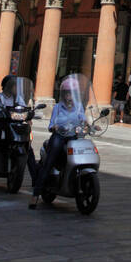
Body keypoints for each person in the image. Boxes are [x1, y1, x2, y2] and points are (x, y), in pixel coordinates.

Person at [30, 77, 88, 208]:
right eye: (67, 93)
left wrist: (89, 126)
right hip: (59, 136)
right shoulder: (57, 107)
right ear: (63, 94)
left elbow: (83, 120)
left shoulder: (79, 107)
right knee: (49, 161)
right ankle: (35, 194)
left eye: (72, 93)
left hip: (73, 137)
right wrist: (56, 127)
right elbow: (51, 124)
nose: (69, 96)